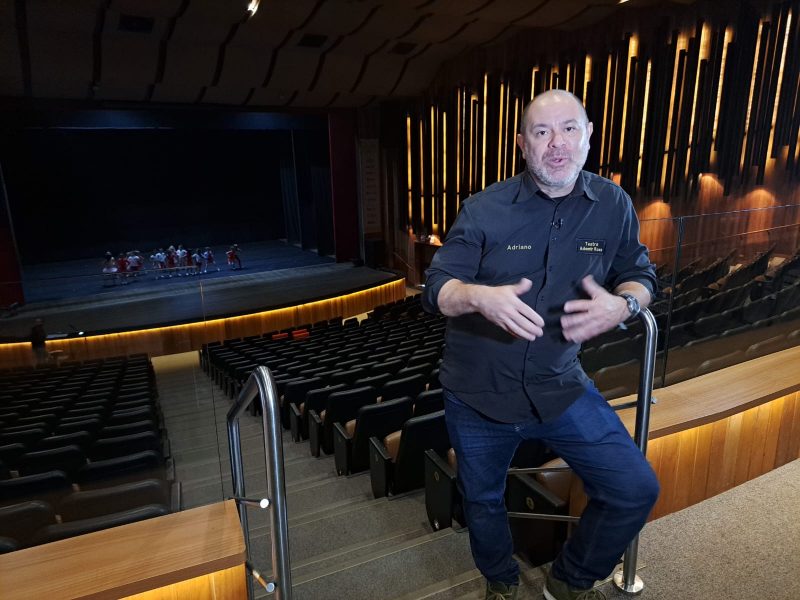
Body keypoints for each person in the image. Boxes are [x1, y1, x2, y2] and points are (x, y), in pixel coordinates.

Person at [422, 90, 659, 600]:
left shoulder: (613, 203)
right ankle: (502, 582)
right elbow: (438, 286)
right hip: (477, 393)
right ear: (523, 145)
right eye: (542, 132)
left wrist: (626, 306)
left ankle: (568, 581)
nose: (558, 144)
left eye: (569, 129)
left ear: (588, 136)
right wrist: (478, 296)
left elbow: (638, 273)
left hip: (559, 384)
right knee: (483, 500)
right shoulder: (483, 209)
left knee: (634, 488)